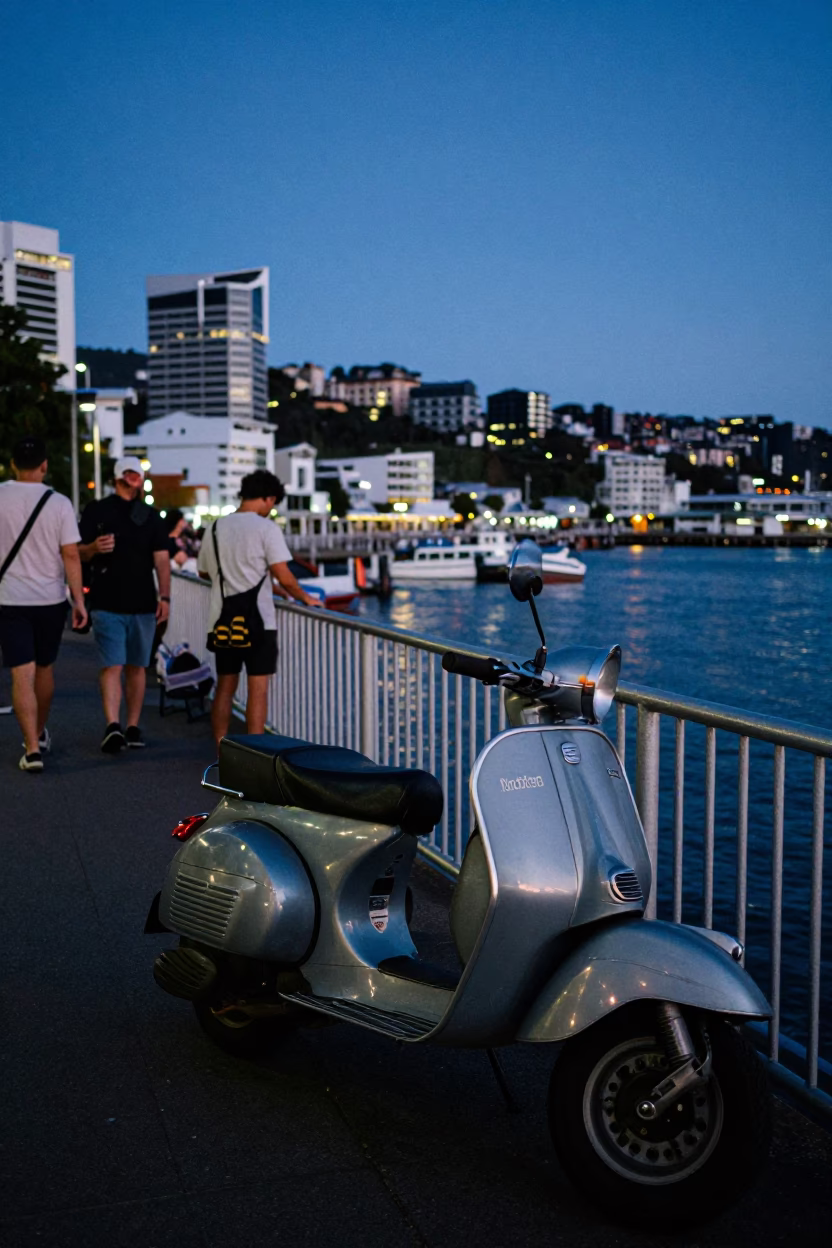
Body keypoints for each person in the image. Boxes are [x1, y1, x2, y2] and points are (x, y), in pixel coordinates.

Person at [197, 469, 320, 747]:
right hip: (259, 623)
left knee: (225, 688)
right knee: (258, 690)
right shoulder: (267, 528)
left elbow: (204, 572)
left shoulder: (215, 527)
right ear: (269, 498)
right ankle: (254, 757)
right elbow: (282, 573)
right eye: (272, 505)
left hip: (222, 620)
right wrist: (305, 597)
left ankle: (221, 749)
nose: (271, 510)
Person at [0, 435, 87, 771]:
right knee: (45, 670)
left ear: (12, 465)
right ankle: (37, 732)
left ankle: (32, 748)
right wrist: (79, 601)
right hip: (50, 600)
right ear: (45, 465)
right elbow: (70, 555)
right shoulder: (60, 503)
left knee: (21, 673)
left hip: (9, 599)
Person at [79, 456, 171, 753]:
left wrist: (165, 597)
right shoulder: (97, 511)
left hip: (144, 601)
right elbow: (76, 552)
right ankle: (112, 726)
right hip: (106, 600)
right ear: (119, 476)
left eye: (140, 473)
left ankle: (131, 725)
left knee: (137, 667)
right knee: (112, 664)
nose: (138, 478)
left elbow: (162, 560)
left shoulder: (150, 515)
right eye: (132, 473)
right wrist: (93, 548)